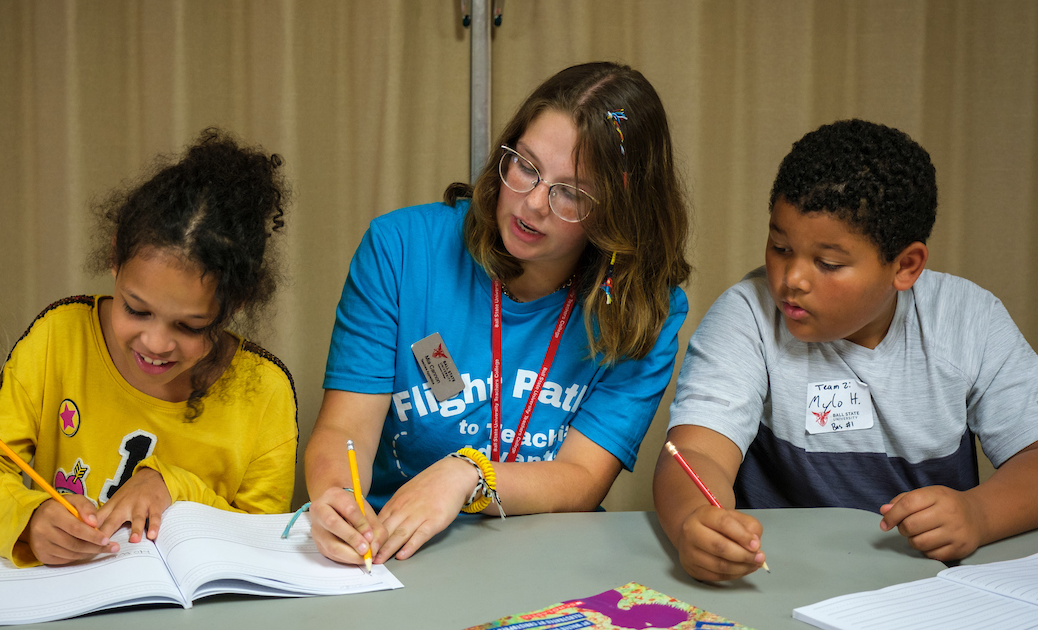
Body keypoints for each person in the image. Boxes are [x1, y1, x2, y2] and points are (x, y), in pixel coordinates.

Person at [306, 61, 691, 567]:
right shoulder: (401, 249)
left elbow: (580, 478)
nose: (531, 204)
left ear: (621, 212)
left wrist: (469, 475)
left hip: (544, 563)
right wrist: (336, 499)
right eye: (526, 166)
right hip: (394, 552)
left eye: (571, 192)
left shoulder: (645, 308)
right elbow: (343, 430)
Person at [654, 119, 1038, 582]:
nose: (791, 279)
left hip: (929, 588)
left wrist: (979, 514)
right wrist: (694, 521)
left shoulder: (968, 319)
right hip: (783, 582)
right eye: (780, 246)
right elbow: (695, 454)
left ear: (906, 266)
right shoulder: (748, 317)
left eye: (828, 263)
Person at [0, 128, 298, 566]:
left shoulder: (265, 391)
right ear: (115, 258)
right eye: (136, 309)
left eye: (189, 325)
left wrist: (174, 487)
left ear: (234, 304)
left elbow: (265, 540)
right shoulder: (60, 338)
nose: (155, 343)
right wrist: (28, 516)